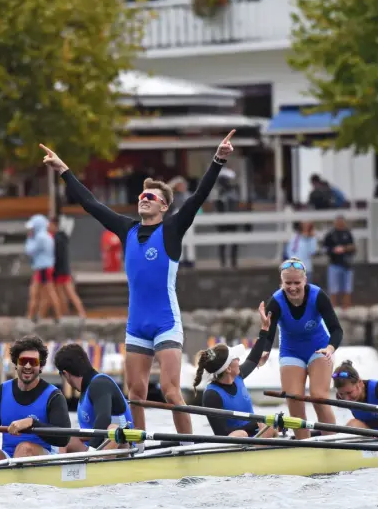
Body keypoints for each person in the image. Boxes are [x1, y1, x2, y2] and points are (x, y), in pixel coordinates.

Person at [39, 130, 235, 439]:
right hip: (137, 325)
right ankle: (139, 447)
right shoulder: (126, 229)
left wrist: (218, 161)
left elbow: (198, 196)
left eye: (151, 197)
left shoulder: (172, 229)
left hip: (166, 322)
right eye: (142, 196)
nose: (143, 199)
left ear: (164, 207)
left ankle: (188, 446)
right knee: (136, 393)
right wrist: (64, 170)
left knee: (170, 391)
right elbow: (90, 203)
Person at [260, 258, 343, 440]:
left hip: (319, 349)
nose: (292, 288)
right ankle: (304, 443)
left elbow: (336, 329)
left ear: (305, 280)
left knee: (318, 397)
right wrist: (264, 351)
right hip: (291, 351)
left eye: (297, 283)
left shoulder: (318, 296)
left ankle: (333, 440)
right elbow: (268, 335)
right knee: (293, 398)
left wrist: (330, 348)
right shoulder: (275, 302)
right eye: (288, 283)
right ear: (282, 282)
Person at [0, 335, 71, 464]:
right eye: (23, 361)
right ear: (16, 364)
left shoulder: (54, 396)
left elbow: (63, 439)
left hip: (43, 456)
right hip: (9, 456)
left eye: (33, 362)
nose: (27, 366)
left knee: (24, 449)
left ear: (41, 366)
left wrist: (32, 423)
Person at [193, 302, 275, 438]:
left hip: (254, 436)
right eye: (235, 358)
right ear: (228, 368)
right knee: (241, 434)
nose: (239, 359)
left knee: (271, 425)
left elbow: (253, 359)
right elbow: (221, 433)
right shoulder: (212, 395)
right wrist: (254, 424)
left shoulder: (238, 377)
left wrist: (264, 328)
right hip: (235, 442)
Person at [53, 342, 133, 453]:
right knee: (65, 437)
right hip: (96, 450)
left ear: (65, 374)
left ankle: (92, 459)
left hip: (122, 446)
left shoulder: (100, 383)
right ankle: (59, 462)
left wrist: (91, 451)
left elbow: (104, 419)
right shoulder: (85, 390)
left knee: (113, 429)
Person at [50, 216, 87, 320]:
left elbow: (57, 256)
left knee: (68, 293)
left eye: (51, 224)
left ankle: (80, 313)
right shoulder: (63, 237)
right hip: (64, 269)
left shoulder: (57, 239)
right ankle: (67, 312)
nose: (49, 226)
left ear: (56, 225)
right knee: (65, 293)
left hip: (60, 270)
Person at [322, 216, 356, 309]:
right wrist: (333, 250)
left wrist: (344, 248)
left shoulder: (348, 234)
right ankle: (333, 308)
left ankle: (346, 307)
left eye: (342, 222)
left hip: (347, 265)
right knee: (333, 288)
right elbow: (325, 248)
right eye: (338, 222)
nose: (340, 224)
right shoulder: (330, 235)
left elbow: (353, 247)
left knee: (347, 288)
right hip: (334, 264)